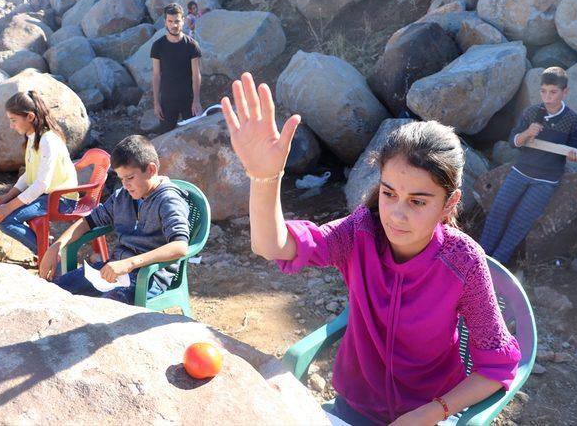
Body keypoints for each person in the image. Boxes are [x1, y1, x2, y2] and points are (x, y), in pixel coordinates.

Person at [220, 73, 522, 425]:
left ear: (448, 203)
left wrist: (428, 414)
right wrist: (264, 178)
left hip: (429, 414)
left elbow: (497, 365)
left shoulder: (463, 261)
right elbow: (273, 245)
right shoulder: (360, 232)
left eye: (418, 201)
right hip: (354, 410)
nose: (396, 214)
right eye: (389, 192)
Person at [40, 135, 191, 303]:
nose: (125, 185)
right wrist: (56, 247)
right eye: (121, 179)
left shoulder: (169, 200)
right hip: (113, 271)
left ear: (151, 169)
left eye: (130, 178)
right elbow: (87, 222)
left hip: (146, 279)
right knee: (52, 291)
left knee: (104, 308)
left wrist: (129, 264)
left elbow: (180, 247)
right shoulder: (122, 196)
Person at [480, 66, 577, 265]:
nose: (548, 97)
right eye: (543, 91)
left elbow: (572, 150)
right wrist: (527, 134)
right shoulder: (532, 112)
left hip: (547, 180)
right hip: (520, 171)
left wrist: (572, 155)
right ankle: (480, 259)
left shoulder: (572, 120)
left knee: (521, 222)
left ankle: (497, 265)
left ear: (565, 92)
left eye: (553, 92)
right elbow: (513, 141)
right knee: (498, 211)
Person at [0, 90, 78, 256]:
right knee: (1, 213)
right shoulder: (32, 137)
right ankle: (44, 246)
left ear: (30, 117)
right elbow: (28, 176)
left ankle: (48, 254)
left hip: (61, 199)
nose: (11, 125)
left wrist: (8, 207)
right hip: (47, 196)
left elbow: (41, 184)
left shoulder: (48, 140)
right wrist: (7, 197)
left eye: (13, 120)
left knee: (5, 220)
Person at [151, 2, 202, 134]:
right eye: (170, 21)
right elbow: (156, 75)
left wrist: (196, 100)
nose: (174, 25)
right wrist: (156, 103)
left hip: (188, 100)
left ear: (183, 21)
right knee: (165, 137)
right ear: (165, 22)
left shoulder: (192, 45)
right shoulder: (158, 46)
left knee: (194, 135)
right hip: (167, 101)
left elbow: (196, 75)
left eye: (177, 21)